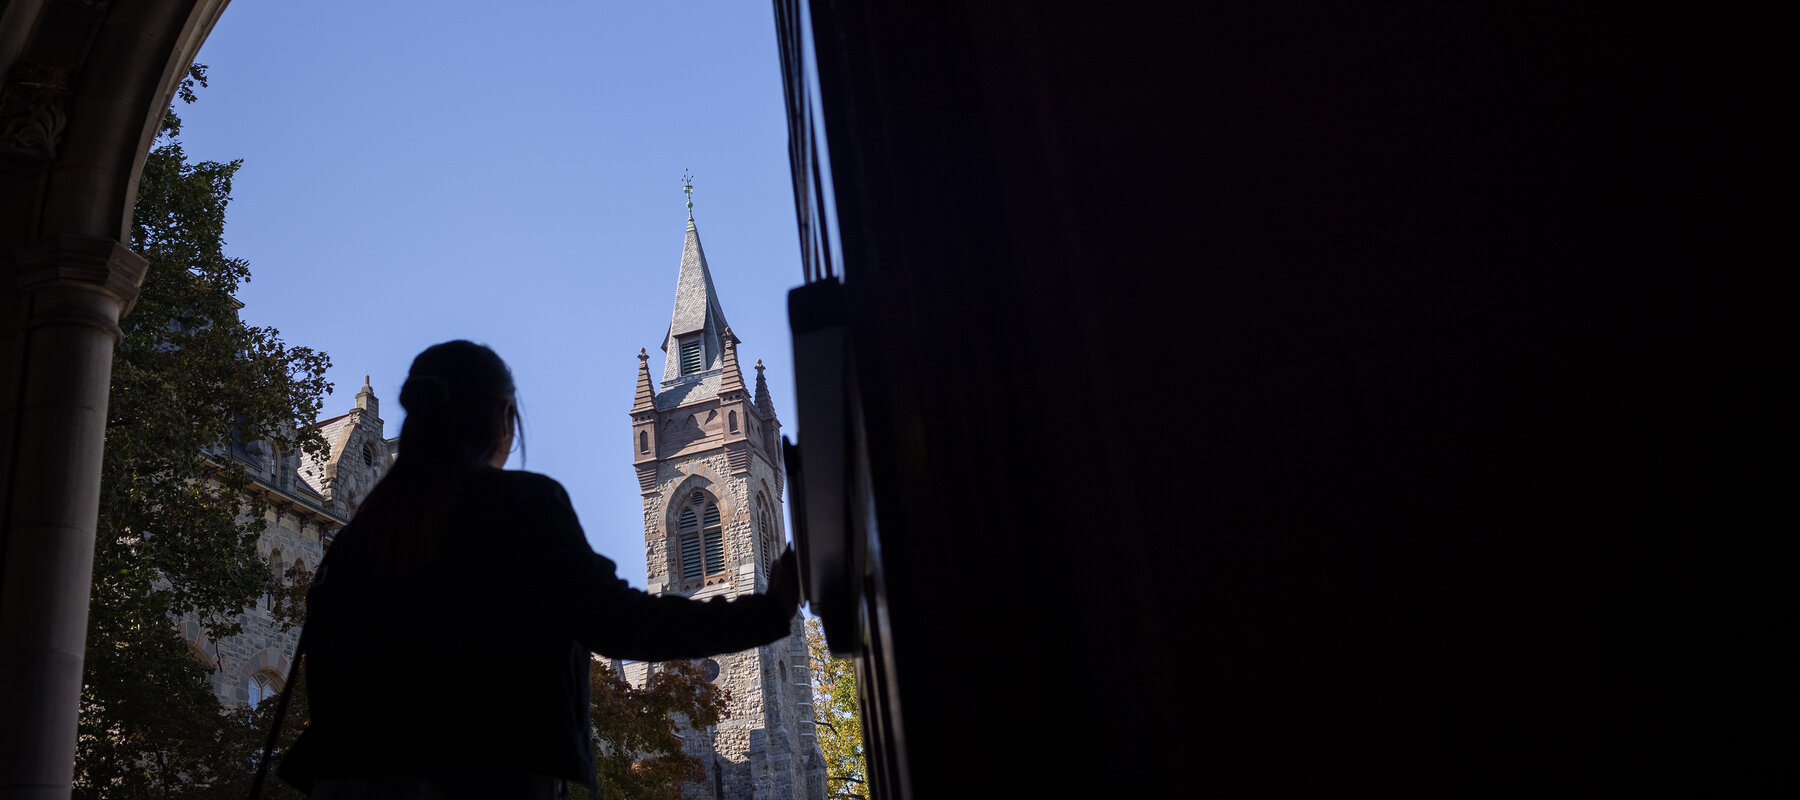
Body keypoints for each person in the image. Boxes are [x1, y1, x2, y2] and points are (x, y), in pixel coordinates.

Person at [277, 340, 801, 799]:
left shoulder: (352, 543)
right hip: (485, 782)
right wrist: (767, 612)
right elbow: (620, 622)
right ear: (504, 421)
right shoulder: (521, 509)